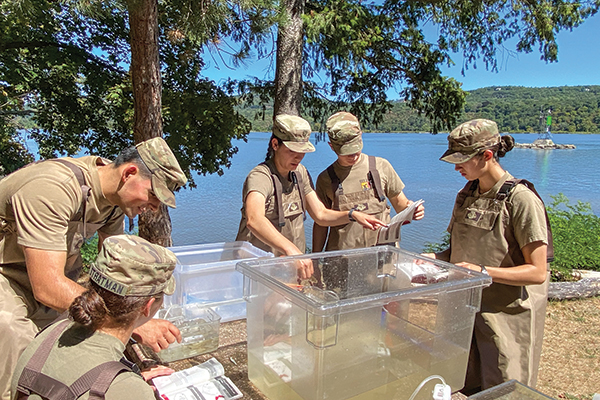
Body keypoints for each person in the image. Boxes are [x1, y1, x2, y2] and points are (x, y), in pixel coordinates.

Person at [0, 137, 187, 400]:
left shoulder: (114, 201)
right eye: (154, 194)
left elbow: (114, 278)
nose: (154, 207)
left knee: (80, 345)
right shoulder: (54, 189)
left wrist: (127, 371)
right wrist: (132, 322)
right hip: (6, 276)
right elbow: (47, 286)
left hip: (45, 279)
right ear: (129, 173)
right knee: (19, 342)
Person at [423, 119, 550, 394]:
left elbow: (537, 272)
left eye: (462, 160)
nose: (457, 167)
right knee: (460, 383)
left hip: (505, 318)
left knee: (504, 389)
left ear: (487, 155)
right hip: (463, 314)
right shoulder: (465, 194)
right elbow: (457, 252)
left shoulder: (521, 200)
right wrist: (429, 259)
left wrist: (483, 271)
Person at [11, 234, 178, 400]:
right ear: (147, 307)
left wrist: (127, 383)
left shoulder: (49, 333)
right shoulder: (124, 390)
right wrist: (129, 389)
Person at [235, 114, 385, 275]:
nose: (299, 157)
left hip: (288, 267)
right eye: (292, 150)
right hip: (257, 269)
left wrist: (353, 215)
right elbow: (254, 219)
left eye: (303, 151)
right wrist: (292, 249)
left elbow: (320, 215)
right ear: (275, 144)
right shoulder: (260, 176)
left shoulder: (300, 173)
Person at [312, 111, 424, 252]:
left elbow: (401, 205)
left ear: (361, 137)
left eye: (355, 149)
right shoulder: (326, 178)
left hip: (382, 258)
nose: (352, 156)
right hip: (343, 261)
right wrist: (315, 258)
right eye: (346, 151)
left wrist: (412, 209)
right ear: (331, 146)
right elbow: (321, 222)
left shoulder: (381, 166)